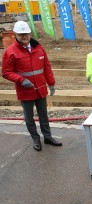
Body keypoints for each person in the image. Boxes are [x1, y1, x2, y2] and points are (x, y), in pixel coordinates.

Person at [2, 21, 62, 151]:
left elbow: (46, 67)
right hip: (25, 91)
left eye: (26, 34)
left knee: (43, 115)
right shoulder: (10, 52)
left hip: (40, 89)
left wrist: (51, 83)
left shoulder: (39, 48)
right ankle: (36, 139)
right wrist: (20, 80)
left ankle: (47, 137)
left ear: (30, 33)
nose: (24, 36)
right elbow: (6, 72)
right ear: (16, 35)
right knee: (29, 118)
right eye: (21, 34)